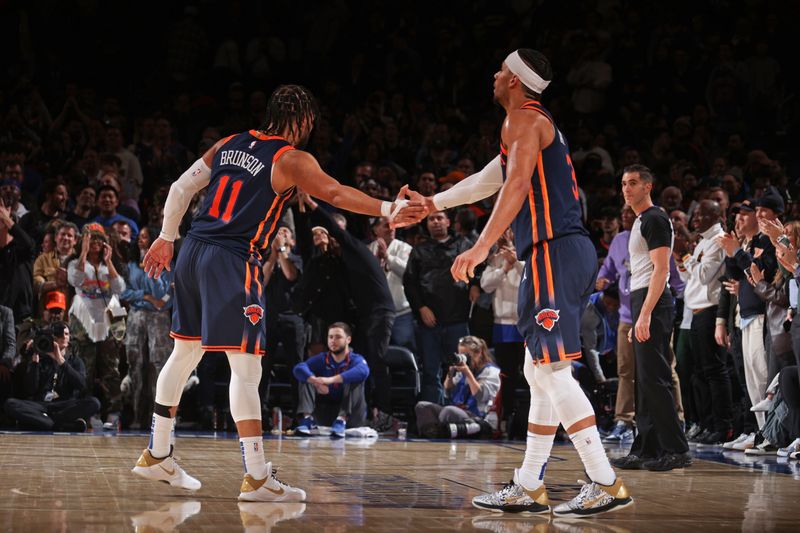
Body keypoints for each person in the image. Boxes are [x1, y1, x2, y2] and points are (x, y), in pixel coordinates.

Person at [131, 85, 423, 502]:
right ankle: (256, 478)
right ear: (303, 121)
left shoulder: (229, 143)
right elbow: (337, 193)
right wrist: (386, 209)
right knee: (246, 370)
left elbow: (179, 189)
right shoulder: (291, 158)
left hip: (193, 250)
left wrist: (165, 237)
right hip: (233, 259)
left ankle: (158, 453)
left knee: (185, 354)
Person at [402, 49, 631, 517]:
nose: (494, 74)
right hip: (558, 252)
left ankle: (605, 481)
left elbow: (516, 185)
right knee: (537, 370)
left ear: (516, 81)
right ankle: (529, 484)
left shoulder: (523, 120)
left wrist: (480, 247)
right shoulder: (526, 127)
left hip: (553, 250)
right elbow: (492, 177)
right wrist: (434, 202)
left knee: (550, 372)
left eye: (502, 69)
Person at [612, 165, 691, 471]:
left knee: (656, 378)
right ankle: (646, 447)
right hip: (643, 301)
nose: (626, 189)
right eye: (623, 184)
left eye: (632, 183)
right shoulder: (641, 220)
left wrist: (644, 314)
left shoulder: (656, 218)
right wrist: (637, 315)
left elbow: (661, 270)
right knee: (644, 380)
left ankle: (676, 449)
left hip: (654, 302)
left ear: (648, 186)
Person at [673, 199, 733, 445]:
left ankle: (723, 426)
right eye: (694, 215)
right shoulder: (703, 241)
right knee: (699, 373)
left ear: (715, 216)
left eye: (700, 215)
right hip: (696, 311)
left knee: (714, 372)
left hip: (710, 311)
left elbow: (705, 275)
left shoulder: (719, 241)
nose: (694, 219)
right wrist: (682, 258)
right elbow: (689, 277)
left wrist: (686, 254)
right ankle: (707, 423)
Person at [66, 223, 126, 429]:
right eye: (91, 239)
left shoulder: (110, 264)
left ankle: (114, 413)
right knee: (86, 367)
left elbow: (120, 288)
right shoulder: (75, 262)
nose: (96, 243)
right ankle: (88, 412)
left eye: (100, 239)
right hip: (84, 319)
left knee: (111, 368)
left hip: (111, 316)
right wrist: (82, 252)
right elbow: (75, 279)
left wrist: (109, 262)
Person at [120, 227, 174, 428]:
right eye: (140, 237)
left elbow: (167, 293)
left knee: (157, 365)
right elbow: (124, 292)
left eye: (146, 237)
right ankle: (134, 414)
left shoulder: (167, 265)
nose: (142, 240)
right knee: (136, 362)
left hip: (159, 318)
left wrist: (160, 299)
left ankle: (158, 417)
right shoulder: (131, 266)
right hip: (136, 315)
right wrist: (145, 297)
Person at [3, 321, 101, 432]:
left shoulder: (76, 361)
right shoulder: (41, 359)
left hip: (65, 406)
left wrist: (61, 362)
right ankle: (60, 426)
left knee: (94, 403)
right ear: (52, 337)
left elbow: (81, 385)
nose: (63, 337)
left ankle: (42, 422)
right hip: (40, 405)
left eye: (66, 334)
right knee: (10, 404)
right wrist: (34, 361)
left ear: (70, 339)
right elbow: (30, 389)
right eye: (59, 334)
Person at [414, 335, 500, 439]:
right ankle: (433, 436)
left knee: (448, 411)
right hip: (458, 411)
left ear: (479, 353)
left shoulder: (491, 372)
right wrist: (450, 375)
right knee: (422, 406)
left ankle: (441, 435)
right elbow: (446, 393)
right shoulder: (463, 368)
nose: (463, 358)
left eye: (466, 355)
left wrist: (468, 373)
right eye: (460, 354)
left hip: (477, 418)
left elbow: (480, 396)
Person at [293, 322, 370, 438]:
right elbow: (299, 368)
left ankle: (341, 420)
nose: (333, 340)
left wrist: (330, 380)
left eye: (338, 337)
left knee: (354, 378)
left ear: (348, 340)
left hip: (351, 416)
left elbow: (363, 371)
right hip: (326, 412)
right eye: (330, 337)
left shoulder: (356, 359)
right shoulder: (323, 358)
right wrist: (315, 381)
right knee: (306, 376)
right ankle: (307, 419)